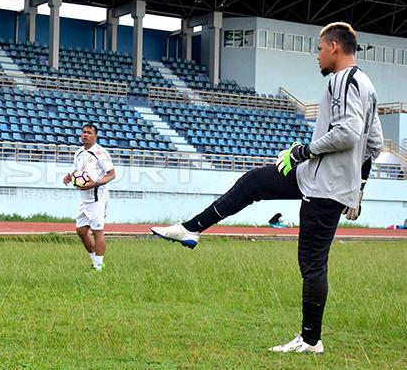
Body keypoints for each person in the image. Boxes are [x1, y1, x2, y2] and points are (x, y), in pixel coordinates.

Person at [150, 22, 383, 354]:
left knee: (313, 264)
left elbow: (348, 133)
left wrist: (305, 150)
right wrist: (358, 188)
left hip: (325, 185)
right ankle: (191, 228)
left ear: (334, 47)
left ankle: (311, 340)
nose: (316, 56)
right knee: (254, 181)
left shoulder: (343, 80)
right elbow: (373, 144)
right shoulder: (367, 85)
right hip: (316, 177)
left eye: (319, 48)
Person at [63, 123, 116, 272]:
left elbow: (112, 174)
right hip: (84, 198)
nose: (85, 135)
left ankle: (99, 267)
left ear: (95, 136)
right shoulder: (78, 153)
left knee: (97, 231)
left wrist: (95, 183)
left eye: (89, 133)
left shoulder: (100, 153)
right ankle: (95, 261)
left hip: (98, 198)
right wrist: (69, 177)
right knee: (81, 231)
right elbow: (77, 172)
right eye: (83, 132)